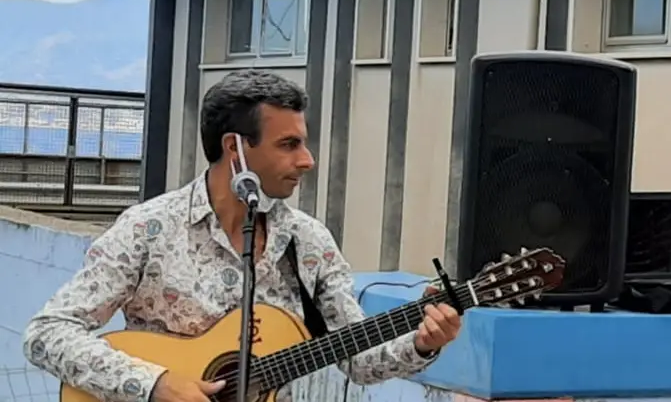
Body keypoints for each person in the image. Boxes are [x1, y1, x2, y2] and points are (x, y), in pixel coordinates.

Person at [23, 69, 460, 402]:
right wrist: (154, 384)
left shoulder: (308, 243)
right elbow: (46, 334)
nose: (307, 161)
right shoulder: (149, 229)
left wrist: (422, 342)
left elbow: (360, 361)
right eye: (288, 145)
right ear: (235, 148)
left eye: (304, 143)